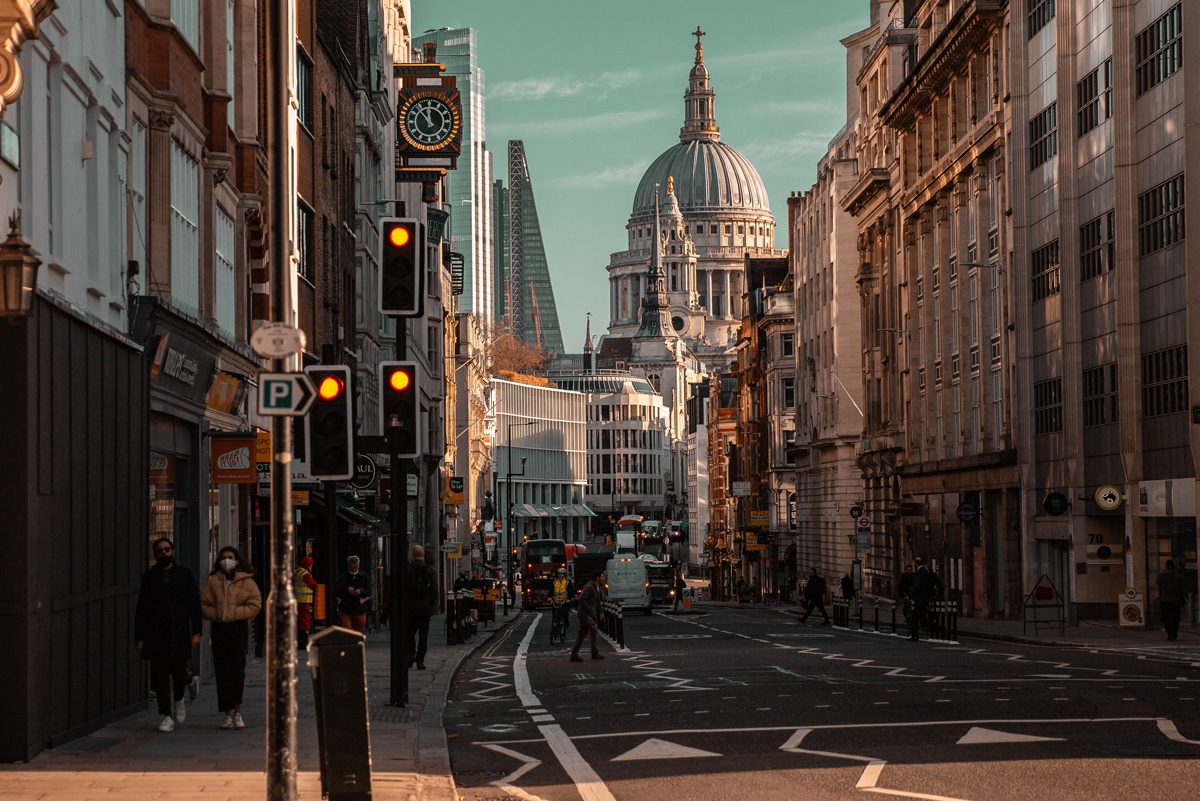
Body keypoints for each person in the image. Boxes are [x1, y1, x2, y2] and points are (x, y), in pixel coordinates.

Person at [134, 538, 203, 733]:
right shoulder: (149, 577)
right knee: (160, 676)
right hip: (156, 635)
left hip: (179, 633)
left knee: (179, 672)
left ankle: (179, 699)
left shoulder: (184, 575)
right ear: (155, 554)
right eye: (159, 551)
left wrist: (197, 632)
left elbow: (194, 605)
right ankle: (166, 715)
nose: (164, 553)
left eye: (166, 549)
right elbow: (142, 609)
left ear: (172, 550)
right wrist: (139, 637)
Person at [200, 546, 262, 730]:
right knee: (222, 670)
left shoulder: (246, 581)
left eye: (230, 557)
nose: (227, 560)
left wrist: (234, 613)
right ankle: (226, 714)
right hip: (220, 629)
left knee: (237, 670)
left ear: (236, 560)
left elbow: (256, 604)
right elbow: (202, 603)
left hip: (237, 628)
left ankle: (237, 712)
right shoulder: (213, 581)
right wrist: (218, 614)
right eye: (224, 557)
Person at [407, 545, 438, 670]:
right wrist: (431, 604)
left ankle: (410, 656)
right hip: (424, 607)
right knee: (423, 635)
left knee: (409, 633)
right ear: (423, 555)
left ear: (412, 555)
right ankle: (420, 661)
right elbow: (435, 590)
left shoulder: (407, 570)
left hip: (410, 607)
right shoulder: (430, 570)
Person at [570, 571, 605, 662]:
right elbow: (581, 599)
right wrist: (590, 610)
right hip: (584, 614)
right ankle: (594, 653)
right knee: (594, 630)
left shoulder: (596, 587)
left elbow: (597, 601)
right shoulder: (589, 586)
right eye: (602, 576)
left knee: (581, 635)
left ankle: (574, 654)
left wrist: (600, 612)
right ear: (597, 577)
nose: (603, 578)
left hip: (587, 614)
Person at [908, 556, 944, 641]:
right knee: (915, 617)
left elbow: (917, 586)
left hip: (921, 599)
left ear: (915, 563)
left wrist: (909, 595)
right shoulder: (924, 572)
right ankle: (914, 635)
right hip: (923, 598)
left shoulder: (919, 572)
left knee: (922, 619)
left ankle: (940, 629)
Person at [337, 556, 372, 632]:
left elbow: (369, 591)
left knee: (359, 632)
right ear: (348, 566)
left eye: (355, 567)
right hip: (346, 609)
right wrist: (346, 590)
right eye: (351, 567)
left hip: (359, 609)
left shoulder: (364, 576)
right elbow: (337, 591)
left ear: (358, 565)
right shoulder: (343, 577)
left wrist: (360, 592)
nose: (353, 570)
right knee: (347, 632)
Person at [1157, 559, 1187, 641]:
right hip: (1176, 600)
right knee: (1175, 617)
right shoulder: (1179, 575)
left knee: (1167, 617)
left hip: (1165, 600)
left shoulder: (1162, 574)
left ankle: (1169, 633)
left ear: (1166, 566)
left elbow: (1158, 583)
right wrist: (1185, 600)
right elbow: (1183, 588)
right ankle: (1174, 633)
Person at [293, 556, 317, 649]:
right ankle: (304, 641)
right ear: (309, 566)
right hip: (304, 601)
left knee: (299, 621)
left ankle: (299, 639)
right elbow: (313, 585)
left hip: (296, 601)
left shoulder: (296, 572)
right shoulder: (305, 574)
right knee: (305, 621)